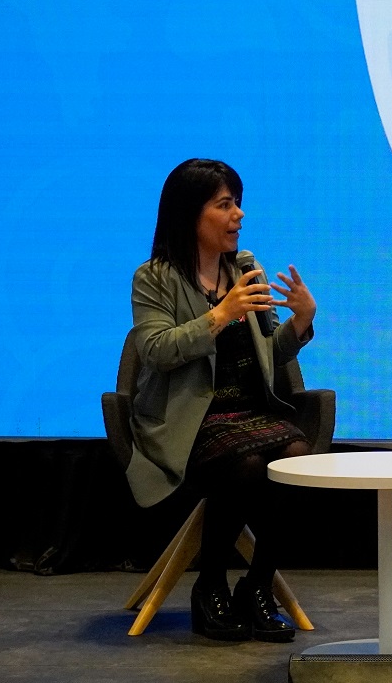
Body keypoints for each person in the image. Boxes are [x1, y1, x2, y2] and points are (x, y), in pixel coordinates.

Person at [126, 158, 317, 643]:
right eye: (225, 205)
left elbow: (270, 352)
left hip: (249, 411)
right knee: (246, 464)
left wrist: (300, 322)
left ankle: (257, 587)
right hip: (189, 421)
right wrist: (220, 315)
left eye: (238, 203)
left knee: (296, 457)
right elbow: (155, 349)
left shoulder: (246, 269)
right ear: (191, 213)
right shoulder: (154, 278)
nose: (239, 215)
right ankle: (209, 586)